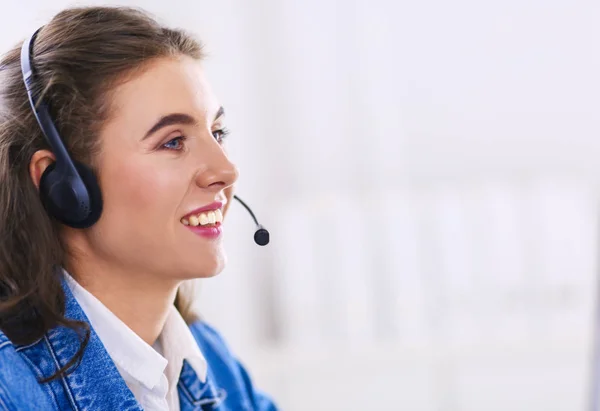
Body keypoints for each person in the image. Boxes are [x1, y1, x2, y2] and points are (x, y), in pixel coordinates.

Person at [0, 6, 277, 411]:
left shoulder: (212, 361)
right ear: (64, 184)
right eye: (172, 142)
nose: (226, 170)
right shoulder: (11, 387)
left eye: (217, 132)